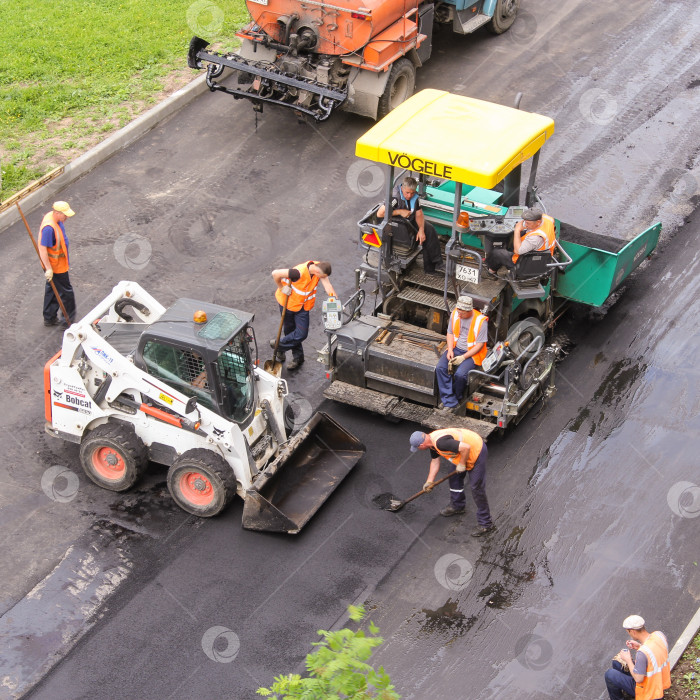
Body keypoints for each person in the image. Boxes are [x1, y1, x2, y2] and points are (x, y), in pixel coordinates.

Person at [409, 428, 495, 535]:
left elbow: (466, 447)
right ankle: (457, 506)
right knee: (454, 478)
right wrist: (429, 481)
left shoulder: (440, 443)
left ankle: (486, 524)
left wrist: (462, 464)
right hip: (462, 451)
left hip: (476, 449)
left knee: (476, 488)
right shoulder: (431, 443)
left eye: (417, 448)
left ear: (421, 446)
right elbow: (435, 461)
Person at [270, 261, 336, 371]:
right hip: (287, 304)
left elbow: (328, 286)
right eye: (321, 277)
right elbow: (275, 273)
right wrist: (282, 287)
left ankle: (279, 346)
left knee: (301, 334)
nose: (322, 279)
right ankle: (298, 358)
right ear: (316, 271)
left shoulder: (320, 268)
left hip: (303, 307)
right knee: (290, 332)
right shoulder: (297, 273)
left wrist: (336, 303)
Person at [377, 176, 444, 274]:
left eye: (412, 193)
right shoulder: (394, 197)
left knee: (429, 229)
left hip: (408, 222)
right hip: (396, 225)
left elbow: (419, 214)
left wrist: (421, 230)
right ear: (402, 189)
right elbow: (380, 213)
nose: (409, 196)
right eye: (407, 193)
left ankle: (433, 266)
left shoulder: (414, 196)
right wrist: (400, 212)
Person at [435, 295, 487, 410]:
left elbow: (479, 345)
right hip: (455, 349)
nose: (459, 314)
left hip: (471, 354)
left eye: (461, 312)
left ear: (469, 311)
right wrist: (450, 350)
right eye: (458, 311)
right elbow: (450, 333)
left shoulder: (481, 321)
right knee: (440, 368)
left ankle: (457, 397)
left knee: (460, 375)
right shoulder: (455, 314)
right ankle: (450, 401)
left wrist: (463, 357)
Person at [604, 615, 671, 700]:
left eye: (628, 632)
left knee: (609, 674)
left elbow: (638, 679)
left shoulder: (642, 653)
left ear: (633, 632)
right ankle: (629, 693)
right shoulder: (659, 635)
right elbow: (654, 652)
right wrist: (639, 646)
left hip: (649, 691)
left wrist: (628, 660)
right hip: (659, 680)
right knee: (617, 663)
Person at [485, 206, 556, 276]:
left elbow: (518, 251)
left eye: (528, 223)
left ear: (538, 222)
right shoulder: (547, 218)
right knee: (521, 234)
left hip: (527, 263)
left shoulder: (536, 238)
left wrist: (517, 230)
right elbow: (552, 221)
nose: (525, 224)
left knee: (497, 253)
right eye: (524, 221)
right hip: (544, 257)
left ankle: (491, 272)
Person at [38, 201, 77, 327]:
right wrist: (49, 268)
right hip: (56, 266)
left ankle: (49, 317)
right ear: (57, 213)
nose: (66, 217)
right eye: (64, 215)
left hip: (56, 264)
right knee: (66, 292)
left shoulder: (54, 219)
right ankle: (68, 320)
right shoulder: (49, 228)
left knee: (52, 289)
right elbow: (43, 249)